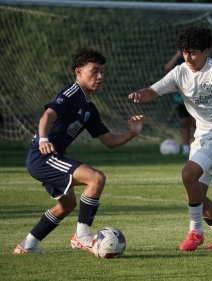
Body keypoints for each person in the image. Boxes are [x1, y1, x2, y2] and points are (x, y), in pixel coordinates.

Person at [128, 26, 212, 251]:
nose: (188, 57)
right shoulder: (179, 72)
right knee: (195, 194)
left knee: (188, 174)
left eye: (193, 52)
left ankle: (195, 232)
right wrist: (140, 95)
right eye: (184, 52)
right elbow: (152, 91)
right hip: (201, 138)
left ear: (206, 51)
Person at [13, 48, 145, 254]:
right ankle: (82, 236)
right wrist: (44, 139)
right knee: (96, 178)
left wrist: (133, 133)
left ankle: (27, 245)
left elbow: (109, 141)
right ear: (79, 71)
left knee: (66, 205)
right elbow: (47, 115)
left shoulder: (89, 108)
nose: (100, 76)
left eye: (102, 71)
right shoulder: (71, 93)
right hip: (43, 156)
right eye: (94, 71)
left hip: (51, 157)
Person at [165, 50, 196, 155]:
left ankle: (197, 148)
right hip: (182, 99)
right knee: (184, 124)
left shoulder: (194, 61)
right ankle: (186, 149)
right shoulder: (178, 62)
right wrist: (177, 54)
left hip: (195, 99)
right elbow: (167, 68)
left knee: (195, 124)